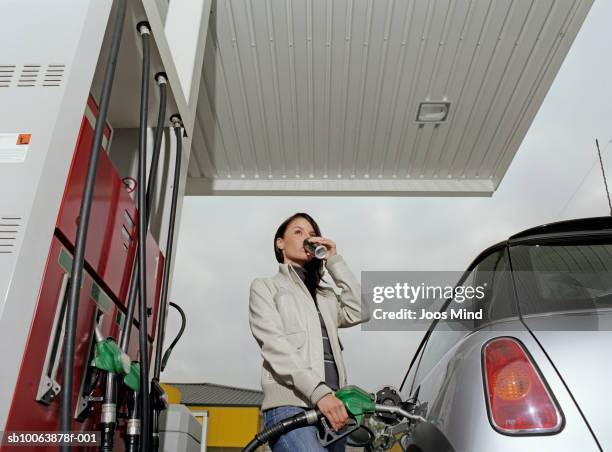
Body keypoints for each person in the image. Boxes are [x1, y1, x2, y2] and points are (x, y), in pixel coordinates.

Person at [248, 212, 370, 451]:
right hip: (291, 406)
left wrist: (334, 261)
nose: (307, 238)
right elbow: (275, 345)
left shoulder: (326, 296)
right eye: (298, 231)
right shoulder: (265, 287)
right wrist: (318, 392)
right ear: (279, 243)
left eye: (313, 235)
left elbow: (361, 310)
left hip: (335, 411)